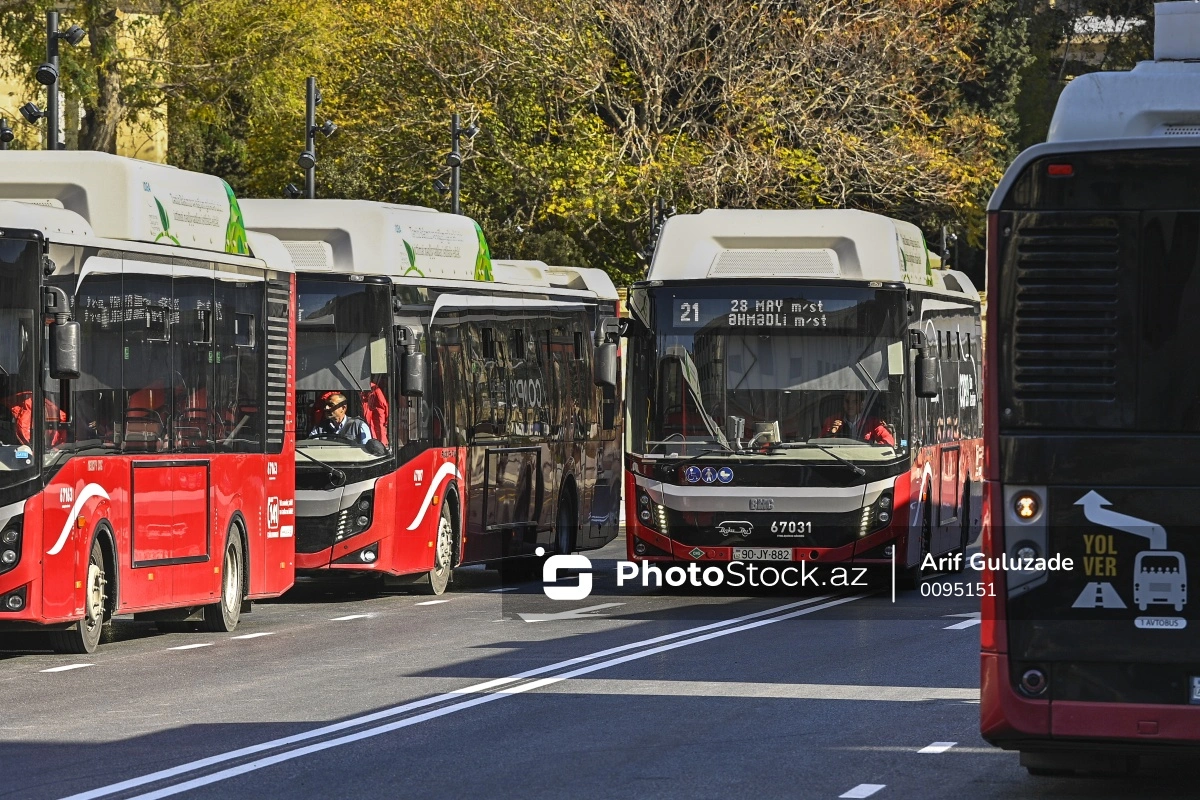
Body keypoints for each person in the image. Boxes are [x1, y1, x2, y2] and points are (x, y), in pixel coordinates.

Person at [821, 391, 895, 446]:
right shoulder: (831, 421)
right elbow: (819, 444)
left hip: (864, 461)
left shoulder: (873, 422)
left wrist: (872, 450)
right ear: (843, 403)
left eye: (855, 402)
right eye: (847, 401)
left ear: (861, 404)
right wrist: (830, 433)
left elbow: (888, 441)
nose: (850, 405)